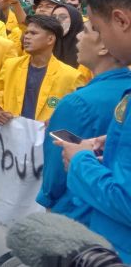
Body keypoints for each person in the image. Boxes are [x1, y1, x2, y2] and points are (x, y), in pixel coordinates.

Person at [55, 0, 131, 262]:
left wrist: (80, 160)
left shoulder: (79, 102)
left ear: (121, 20)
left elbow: (126, 201)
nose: (100, 39)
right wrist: (108, 142)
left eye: (97, 29)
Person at [37, 18, 130, 224]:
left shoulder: (76, 103)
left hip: (77, 213)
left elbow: (54, 178)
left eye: (85, 31)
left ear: (104, 45)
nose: (78, 36)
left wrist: (49, 200)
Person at [0, 15, 85, 124]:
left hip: (45, 138)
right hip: (11, 134)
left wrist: (59, 121)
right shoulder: (11, 65)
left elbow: (79, 113)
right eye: (26, 32)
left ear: (50, 39)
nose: (26, 37)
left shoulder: (71, 76)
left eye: (33, 33)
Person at [51, 4, 85, 68]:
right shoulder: (48, 42)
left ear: (75, 20)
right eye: (53, 17)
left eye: (63, 17)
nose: (57, 20)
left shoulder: (86, 45)